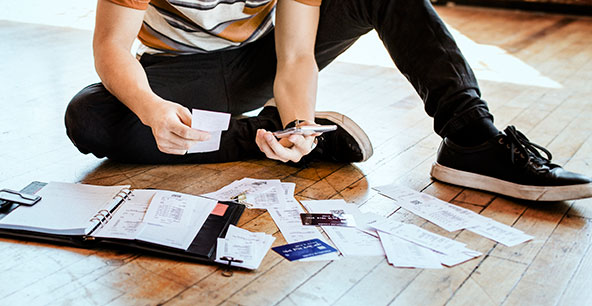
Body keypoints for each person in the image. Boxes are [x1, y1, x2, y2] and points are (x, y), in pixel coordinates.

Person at [65, 0, 592, 201]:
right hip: (178, 74)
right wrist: (150, 108)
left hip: (259, 60)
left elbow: (294, 56)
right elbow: (111, 47)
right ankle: (258, 137)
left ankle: (472, 138)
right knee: (89, 115)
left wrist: (296, 119)